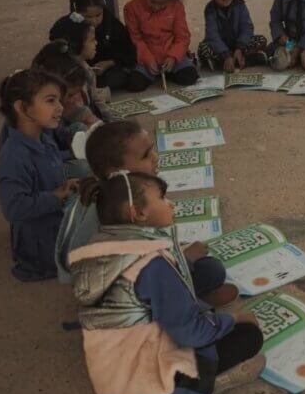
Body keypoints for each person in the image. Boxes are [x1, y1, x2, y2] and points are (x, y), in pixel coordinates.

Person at [68, 171, 265, 394]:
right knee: (249, 336)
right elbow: (191, 333)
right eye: (162, 197)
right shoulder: (151, 262)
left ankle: (199, 305)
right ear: (138, 213)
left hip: (110, 377)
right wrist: (235, 319)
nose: (170, 203)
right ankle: (212, 384)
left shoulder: (98, 246)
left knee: (183, 296)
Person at [55, 121, 238, 309]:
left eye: (152, 150)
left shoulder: (106, 190)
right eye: (145, 155)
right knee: (211, 270)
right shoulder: (121, 210)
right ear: (117, 171)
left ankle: (189, 301)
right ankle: (183, 309)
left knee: (202, 264)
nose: (155, 157)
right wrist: (185, 257)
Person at [0, 69, 78, 282]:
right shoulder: (14, 155)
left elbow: (50, 160)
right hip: (40, 246)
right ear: (23, 108)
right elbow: (13, 207)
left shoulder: (42, 136)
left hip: (55, 222)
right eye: (51, 101)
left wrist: (76, 156)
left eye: (58, 100)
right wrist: (56, 196)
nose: (60, 108)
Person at [124, 0, 198, 92]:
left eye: (162, 4)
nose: (156, 7)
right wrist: (148, 59)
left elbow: (182, 37)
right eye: (152, 2)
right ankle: (155, 73)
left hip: (170, 53)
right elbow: (135, 38)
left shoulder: (176, 7)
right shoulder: (131, 7)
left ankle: (166, 71)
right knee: (134, 84)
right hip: (146, 55)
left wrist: (173, 57)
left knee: (190, 77)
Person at [49, 0, 136, 91]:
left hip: (104, 71)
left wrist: (109, 62)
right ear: (76, 13)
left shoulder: (111, 25)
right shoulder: (66, 27)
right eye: (88, 17)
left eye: (98, 15)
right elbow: (57, 55)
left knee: (117, 79)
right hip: (74, 69)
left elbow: (129, 53)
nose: (94, 21)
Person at [196, 0, 268, 73]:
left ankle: (234, 61)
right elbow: (212, 35)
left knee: (261, 39)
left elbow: (247, 28)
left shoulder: (240, 4)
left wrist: (240, 48)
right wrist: (225, 55)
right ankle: (237, 61)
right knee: (203, 48)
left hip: (239, 45)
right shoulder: (210, 9)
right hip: (220, 48)